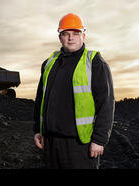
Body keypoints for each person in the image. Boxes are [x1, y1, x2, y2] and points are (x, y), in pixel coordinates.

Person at [33, 13, 115, 169]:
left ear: (83, 35)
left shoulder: (94, 62)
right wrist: (37, 129)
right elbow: (40, 99)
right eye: (66, 34)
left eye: (75, 33)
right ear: (60, 37)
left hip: (79, 145)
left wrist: (99, 139)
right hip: (50, 142)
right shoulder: (49, 63)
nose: (71, 38)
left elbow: (106, 103)